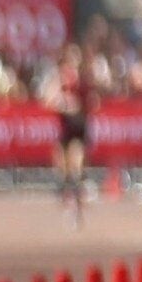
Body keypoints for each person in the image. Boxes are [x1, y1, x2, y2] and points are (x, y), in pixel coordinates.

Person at [42, 44, 92, 224]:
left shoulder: (84, 81)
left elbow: (89, 104)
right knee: (64, 170)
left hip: (78, 129)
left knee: (77, 167)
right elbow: (48, 99)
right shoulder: (60, 79)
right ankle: (68, 201)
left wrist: (77, 108)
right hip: (64, 130)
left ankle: (77, 207)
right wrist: (61, 103)